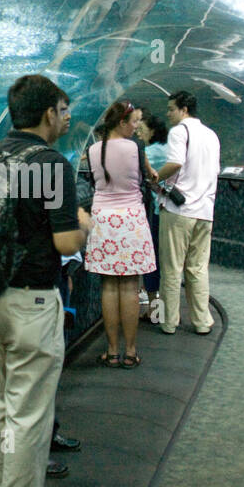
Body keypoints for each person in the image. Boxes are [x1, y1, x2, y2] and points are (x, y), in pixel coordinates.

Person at [0, 74, 90, 487]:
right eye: (62, 111)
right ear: (46, 114)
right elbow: (64, 244)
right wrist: (85, 225)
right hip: (31, 304)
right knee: (29, 419)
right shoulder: (51, 165)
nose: (65, 119)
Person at [84, 100, 157, 368]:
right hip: (132, 221)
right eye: (134, 121)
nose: (137, 127)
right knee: (129, 286)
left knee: (108, 286)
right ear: (122, 122)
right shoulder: (136, 148)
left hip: (103, 220)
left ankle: (112, 351)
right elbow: (149, 176)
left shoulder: (93, 149)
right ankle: (131, 352)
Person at [155, 91, 221, 335]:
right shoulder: (212, 135)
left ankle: (169, 321)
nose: (168, 113)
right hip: (205, 211)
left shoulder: (179, 131)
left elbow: (175, 163)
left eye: (171, 109)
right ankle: (202, 322)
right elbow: (214, 171)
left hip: (179, 211)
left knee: (172, 268)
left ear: (184, 110)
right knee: (198, 268)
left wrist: (155, 176)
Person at [134, 112, 169, 315]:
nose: (138, 134)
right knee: (167, 264)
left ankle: (156, 312)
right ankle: (163, 312)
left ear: (152, 131)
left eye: (141, 130)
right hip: (173, 211)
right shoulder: (168, 148)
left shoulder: (152, 152)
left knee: (153, 259)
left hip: (159, 210)